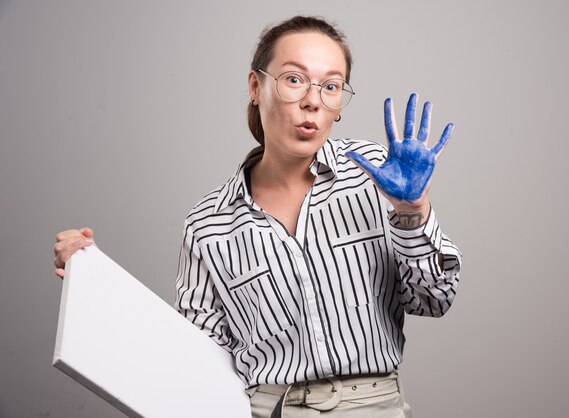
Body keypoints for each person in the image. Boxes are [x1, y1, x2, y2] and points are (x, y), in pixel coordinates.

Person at [53, 15, 462, 418]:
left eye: (331, 86)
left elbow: (433, 299)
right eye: (294, 79)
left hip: (373, 408)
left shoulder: (376, 175)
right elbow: (191, 359)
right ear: (256, 86)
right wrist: (95, 279)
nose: (313, 100)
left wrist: (412, 211)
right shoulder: (207, 224)